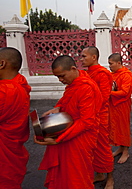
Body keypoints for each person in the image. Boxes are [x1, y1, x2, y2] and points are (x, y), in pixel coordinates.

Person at [36, 55, 103, 189]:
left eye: (62, 76)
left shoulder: (86, 87)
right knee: (65, 175)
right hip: (70, 132)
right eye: (58, 77)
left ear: (73, 69)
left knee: (78, 178)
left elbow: (87, 121)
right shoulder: (75, 83)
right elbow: (68, 98)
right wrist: (57, 107)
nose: (60, 80)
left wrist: (59, 139)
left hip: (80, 138)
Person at [81, 46, 114, 188]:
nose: (81, 59)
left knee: (103, 147)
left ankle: (110, 177)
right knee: (92, 147)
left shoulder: (103, 74)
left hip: (100, 115)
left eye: (84, 56)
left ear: (94, 57)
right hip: (88, 116)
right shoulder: (85, 74)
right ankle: (99, 174)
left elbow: (104, 97)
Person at [0, 47, 31, 189]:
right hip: (11, 148)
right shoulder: (20, 84)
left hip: (5, 155)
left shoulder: (7, 91)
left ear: (2, 64)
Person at [108, 53, 132, 163]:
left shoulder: (126, 75)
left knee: (123, 127)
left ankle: (126, 151)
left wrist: (108, 93)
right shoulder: (113, 74)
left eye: (111, 64)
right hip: (112, 105)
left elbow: (124, 92)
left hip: (122, 105)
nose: (109, 66)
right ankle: (120, 147)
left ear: (119, 63)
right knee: (115, 127)